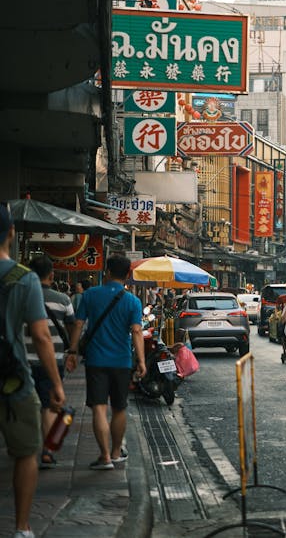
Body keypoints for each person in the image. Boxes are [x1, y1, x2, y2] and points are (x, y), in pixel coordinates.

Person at [0, 202, 65, 538]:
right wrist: (56, 383)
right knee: (26, 452)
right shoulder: (23, 279)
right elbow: (41, 336)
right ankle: (22, 528)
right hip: (14, 379)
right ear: (11, 233)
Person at [70, 254, 146, 470]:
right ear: (128, 275)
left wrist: (72, 351)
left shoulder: (91, 294)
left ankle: (104, 456)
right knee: (120, 408)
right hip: (121, 361)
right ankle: (115, 452)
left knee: (99, 408)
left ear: (108, 272)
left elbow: (78, 324)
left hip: (95, 360)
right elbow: (137, 332)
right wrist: (141, 361)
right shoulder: (133, 301)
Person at [27, 254, 78, 469]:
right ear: (52, 274)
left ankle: (25, 448)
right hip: (52, 360)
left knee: (27, 404)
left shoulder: (22, 295)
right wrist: (72, 351)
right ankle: (47, 451)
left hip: (24, 360)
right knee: (49, 405)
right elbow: (73, 326)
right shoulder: (63, 300)